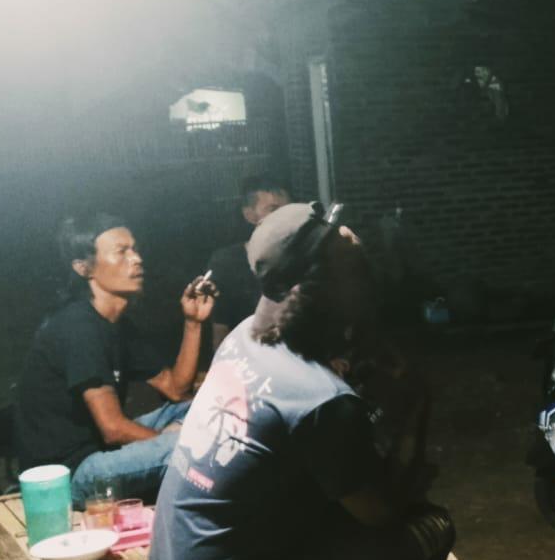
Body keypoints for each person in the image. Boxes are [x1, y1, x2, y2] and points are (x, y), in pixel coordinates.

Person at [151, 202, 452, 560]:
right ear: (322, 287)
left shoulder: (243, 337)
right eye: (355, 270)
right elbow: (380, 511)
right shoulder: (320, 398)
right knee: (430, 526)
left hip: (175, 548)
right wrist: (410, 413)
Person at [13, 213, 216, 505]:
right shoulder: (78, 328)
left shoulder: (116, 324)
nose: (137, 259)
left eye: (135, 249)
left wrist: (193, 322)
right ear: (83, 268)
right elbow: (113, 429)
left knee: (209, 409)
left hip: (100, 451)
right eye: (121, 252)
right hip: (70, 475)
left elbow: (176, 389)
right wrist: (165, 438)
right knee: (196, 446)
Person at [203, 175, 290, 337]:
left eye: (289, 209)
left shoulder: (301, 255)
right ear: (250, 215)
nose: (285, 216)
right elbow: (220, 330)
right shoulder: (226, 262)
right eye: (273, 209)